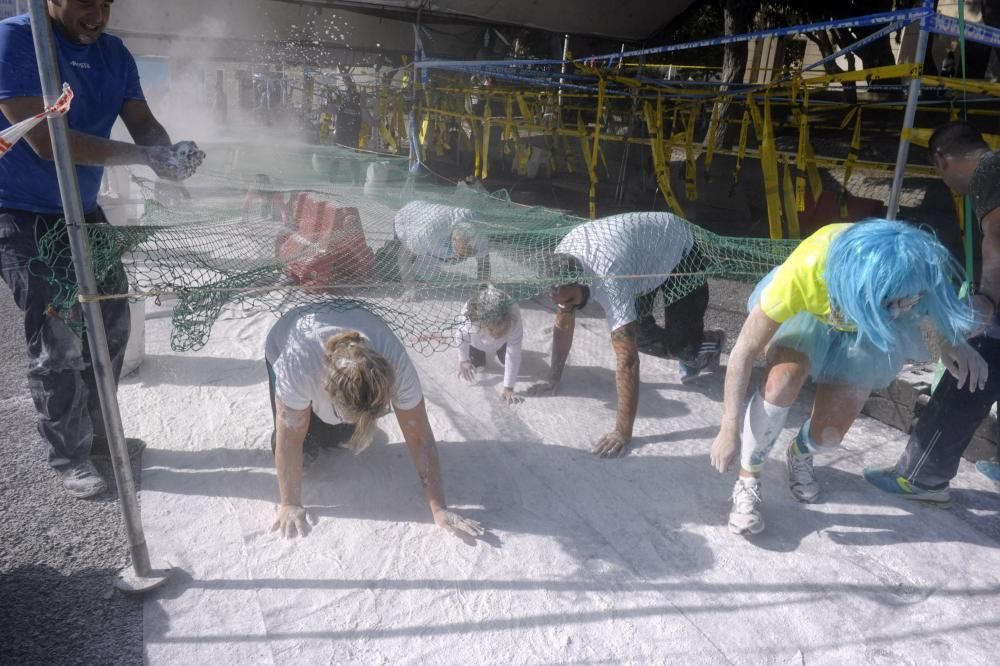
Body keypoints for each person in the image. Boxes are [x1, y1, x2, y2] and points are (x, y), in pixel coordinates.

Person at [0, 1, 204, 498]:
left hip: (83, 210)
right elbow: (49, 142)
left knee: (113, 320)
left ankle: (98, 438)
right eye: (83, 1)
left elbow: (143, 122)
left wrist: (167, 152)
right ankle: (70, 455)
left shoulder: (115, 55)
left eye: (106, 3)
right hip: (21, 212)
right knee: (59, 337)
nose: (96, 14)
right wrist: (144, 156)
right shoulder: (15, 41)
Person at [709, 219, 983, 536]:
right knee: (781, 381)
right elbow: (744, 348)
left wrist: (952, 341)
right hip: (810, 316)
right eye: (894, 302)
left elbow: (936, 295)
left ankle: (799, 454)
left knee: (830, 436)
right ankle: (748, 478)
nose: (903, 309)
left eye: (906, 301)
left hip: (866, 331)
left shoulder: (915, 260)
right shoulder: (807, 270)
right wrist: (728, 426)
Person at [266, 303, 484, 540]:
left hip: (349, 324)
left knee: (345, 437)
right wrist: (289, 504)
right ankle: (320, 423)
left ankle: (336, 426)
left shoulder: (397, 365)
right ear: (328, 392)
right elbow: (289, 441)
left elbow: (420, 438)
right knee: (306, 441)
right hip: (285, 338)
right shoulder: (298, 368)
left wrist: (439, 507)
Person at [866, 122, 999, 502]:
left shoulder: (990, 169)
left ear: (942, 159)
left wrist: (986, 298)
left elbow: (998, 238)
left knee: (969, 371)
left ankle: (923, 476)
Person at [534, 211, 724, 457]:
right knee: (641, 337)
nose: (567, 307)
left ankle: (710, 343)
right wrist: (553, 378)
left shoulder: (611, 279)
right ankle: (687, 343)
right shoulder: (561, 263)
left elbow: (627, 360)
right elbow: (563, 323)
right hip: (640, 259)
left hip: (680, 250)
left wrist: (622, 432)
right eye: (562, 302)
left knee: (682, 349)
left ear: (583, 282)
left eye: (571, 300)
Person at [393, 199, 491, 290]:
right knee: (393, 262)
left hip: (437, 219)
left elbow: (484, 261)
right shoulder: (425, 235)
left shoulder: (478, 232)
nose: (464, 258)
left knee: (433, 263)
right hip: (408, 216)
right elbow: (403, 256)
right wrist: (409, 287)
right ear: (453, 240)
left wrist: (482, 289)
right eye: (461, 255)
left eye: (468, 255)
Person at [454, 285, 524, 404]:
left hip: (502, 342)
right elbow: (461, 335)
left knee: (506, 360)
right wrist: (463, 360)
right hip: (477, 340)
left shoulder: (514, 315)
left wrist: (508, 387)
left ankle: (500, 347)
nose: (496, 335)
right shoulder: (471, 315)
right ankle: (477, 351)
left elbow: (514, 352)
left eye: (501, 331)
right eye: (494, 331)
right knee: (477, 365)